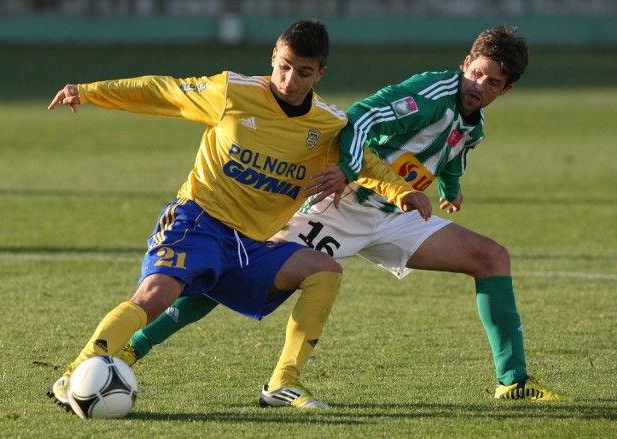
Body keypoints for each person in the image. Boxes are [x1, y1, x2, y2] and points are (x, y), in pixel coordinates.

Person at [114, 25, 569, 405]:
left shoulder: (474, 122)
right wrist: (348, 169)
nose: (479, 87)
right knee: (227, 274)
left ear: (506, 89)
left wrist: (452, 189)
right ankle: (133, 349)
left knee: (491, 257)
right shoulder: (431, 93)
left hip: (395, 215)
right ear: (465, 63)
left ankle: (512, 381)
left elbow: (454, 152)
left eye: (493, 83)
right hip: (337, 205)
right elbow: (359, 118)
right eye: (476, 74)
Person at [45, 19, 428, 412]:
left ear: (320, 73)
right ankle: (75, 373)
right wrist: (88, 91)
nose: (290, 79)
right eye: (284, 65)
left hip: (250, 246)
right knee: (155, 296)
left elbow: (364, 161)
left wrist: (402, 191)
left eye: (304, 72)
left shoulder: (329, 124)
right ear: (273, 57)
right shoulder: (232, 92)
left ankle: (282, 383)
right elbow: (162, 90)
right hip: (198, 221)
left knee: (324, 270)